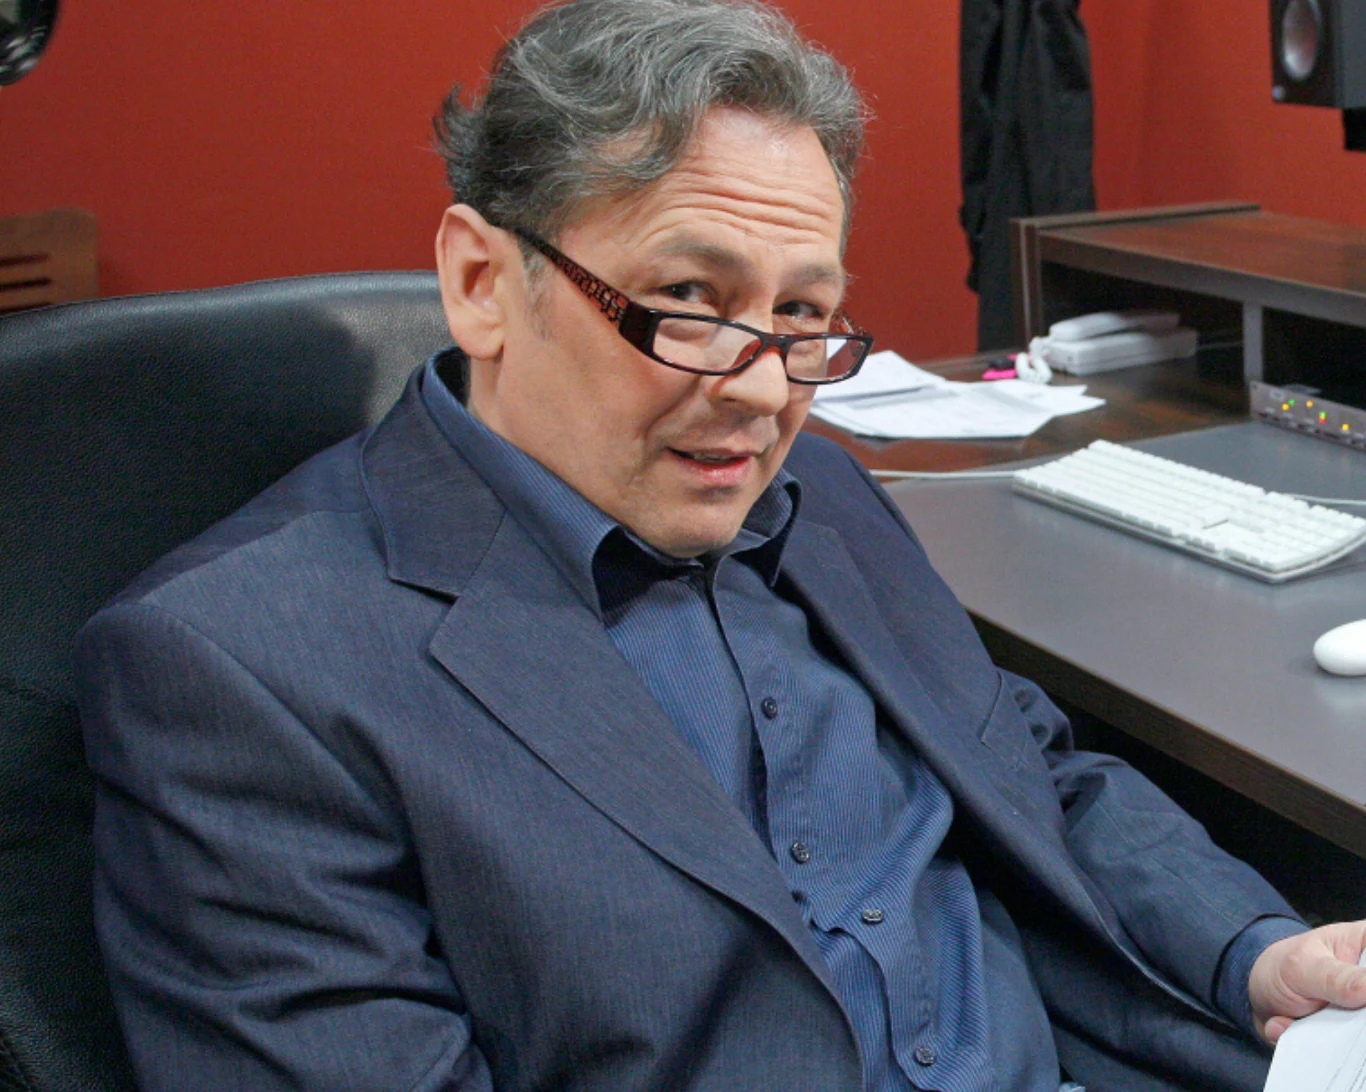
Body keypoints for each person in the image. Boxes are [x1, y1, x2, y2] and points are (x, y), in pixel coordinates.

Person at [75, 1, 1366, 1089]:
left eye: (802, 314)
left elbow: (1029, 767)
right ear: (481, 285)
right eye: (689, 300)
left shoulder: (818, 490)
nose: (760, 392)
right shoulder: (236, 673)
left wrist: (1255, 951)